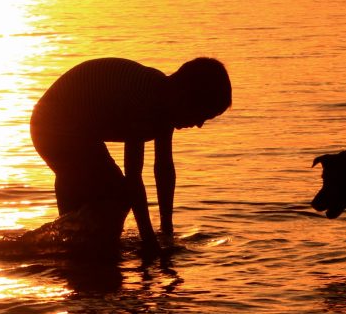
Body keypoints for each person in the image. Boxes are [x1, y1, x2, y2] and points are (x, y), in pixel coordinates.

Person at [30, 57, 232, 258]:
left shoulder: (164, 100)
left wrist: (166, 231)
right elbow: (133, 178)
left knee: (92, 214)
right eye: (202, 114)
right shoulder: (145, 100)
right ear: (186, 96)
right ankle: (72, 248)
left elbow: (163, 169)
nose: (199, 124)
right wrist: (149, 241)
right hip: (53, 125)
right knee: (117, 196)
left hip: (74, 129)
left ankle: (74, 251)